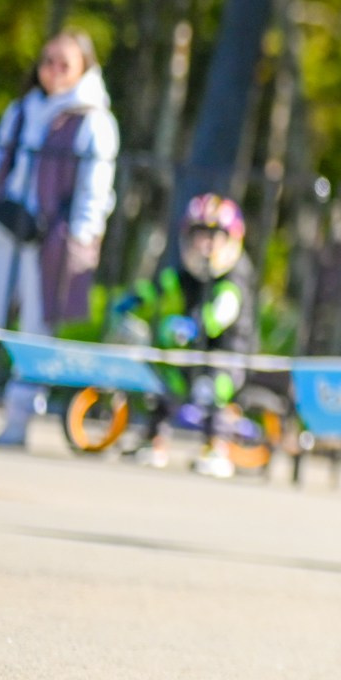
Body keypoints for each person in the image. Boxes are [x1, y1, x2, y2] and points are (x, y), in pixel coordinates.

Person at [0, 29, 120, 447]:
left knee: (36, 331)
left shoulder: (94, 120)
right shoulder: (22, 110)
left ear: (83, 69)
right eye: (47, 61)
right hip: (4, 234)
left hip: (48, 242)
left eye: (64, 63)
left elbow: (94, 192)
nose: (53, 71)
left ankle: (19, 421)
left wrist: (72, 241)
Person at [106, 193, 257, 478]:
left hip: (228, 353)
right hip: (192, 350)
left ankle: (216, 448)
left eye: (214, 236)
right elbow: (160, 285)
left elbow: (225, 309)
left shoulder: (235, 275)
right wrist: (135, 299)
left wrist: (200, 325)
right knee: (164, 386)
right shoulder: (187, 271)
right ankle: (155, 441)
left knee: (213, 389)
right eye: (200, 235)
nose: (207, 245)